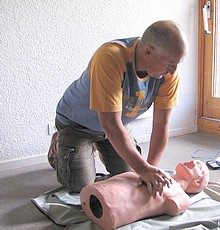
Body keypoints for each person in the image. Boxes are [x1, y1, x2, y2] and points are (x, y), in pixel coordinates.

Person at [48, 20, 189, 196]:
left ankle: (94, 146)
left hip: (114, 127)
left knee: (131, 177)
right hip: (76, 125)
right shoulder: (110, 57)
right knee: (81, 188)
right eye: (170, 64)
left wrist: (149, 170)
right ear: (148, 52)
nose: (173, 71)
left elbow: (162, 126)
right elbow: (109, 124)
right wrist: (143, 169)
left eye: (177, 64)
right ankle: (59, 146)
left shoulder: (168, 75)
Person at [80, 160, 210, 230]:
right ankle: (99, 194)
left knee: (134, 197)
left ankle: (104, 204)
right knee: (128, 178)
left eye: (197, 166)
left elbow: (175, 207)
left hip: (126, 204)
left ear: (198, 182)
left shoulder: (180, 194)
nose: (190, 162)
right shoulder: (163, 173)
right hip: (118, 186)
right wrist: (144, 169)